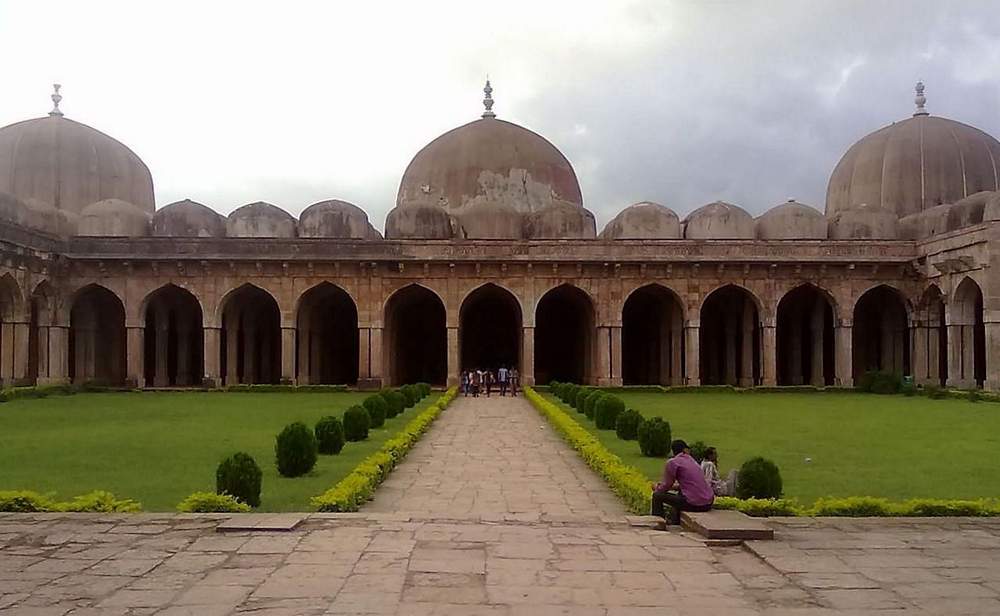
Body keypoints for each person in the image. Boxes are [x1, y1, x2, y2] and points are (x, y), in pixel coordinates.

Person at [651, 439, 714, 525]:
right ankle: (675, 521)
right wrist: (672, 487)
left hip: (694, 504)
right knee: (682, 494)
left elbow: (666, 485)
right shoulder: (692, 461)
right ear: (685, 450)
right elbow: (690, 484)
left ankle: (658, 523)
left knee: (657, 496)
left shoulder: (673, 462)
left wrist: (657, 488)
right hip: (708, 503)